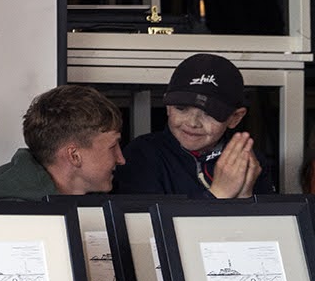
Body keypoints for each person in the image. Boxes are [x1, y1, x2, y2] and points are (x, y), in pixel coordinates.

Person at [116, 52, 272, 198]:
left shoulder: (247, 162)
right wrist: (219, 194)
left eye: (209, 113)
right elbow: (147, 218)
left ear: (235, 118)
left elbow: (267, 217)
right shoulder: (143, 154)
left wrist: (245, 198)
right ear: (168, 106)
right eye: (181, 108)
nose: (193, 122)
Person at [0, 85, 124, 199]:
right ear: (74, 156)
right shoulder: (12, 220)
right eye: (112, 147)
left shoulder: (104, 207)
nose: (121, 159)